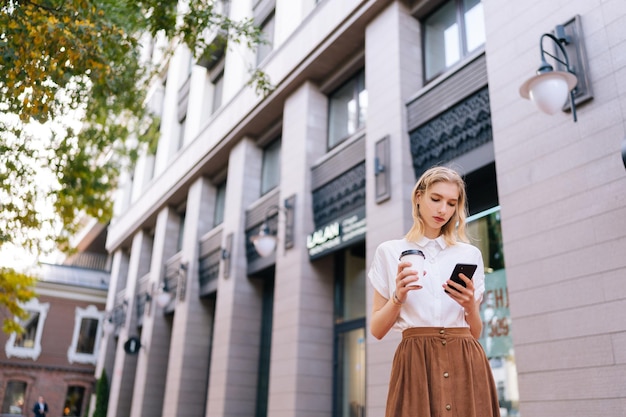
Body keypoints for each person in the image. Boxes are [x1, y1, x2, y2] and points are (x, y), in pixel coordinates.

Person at [368, 166, 500, 417]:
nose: (443, 210)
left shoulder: (469, 254)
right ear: (419, 196)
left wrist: (470, 305)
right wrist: (398, 297)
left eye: (451, 203)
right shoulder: (389, 251)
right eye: (436, 199)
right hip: (416, 362)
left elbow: (476, 332)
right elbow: (376, 330)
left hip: (465, 359)